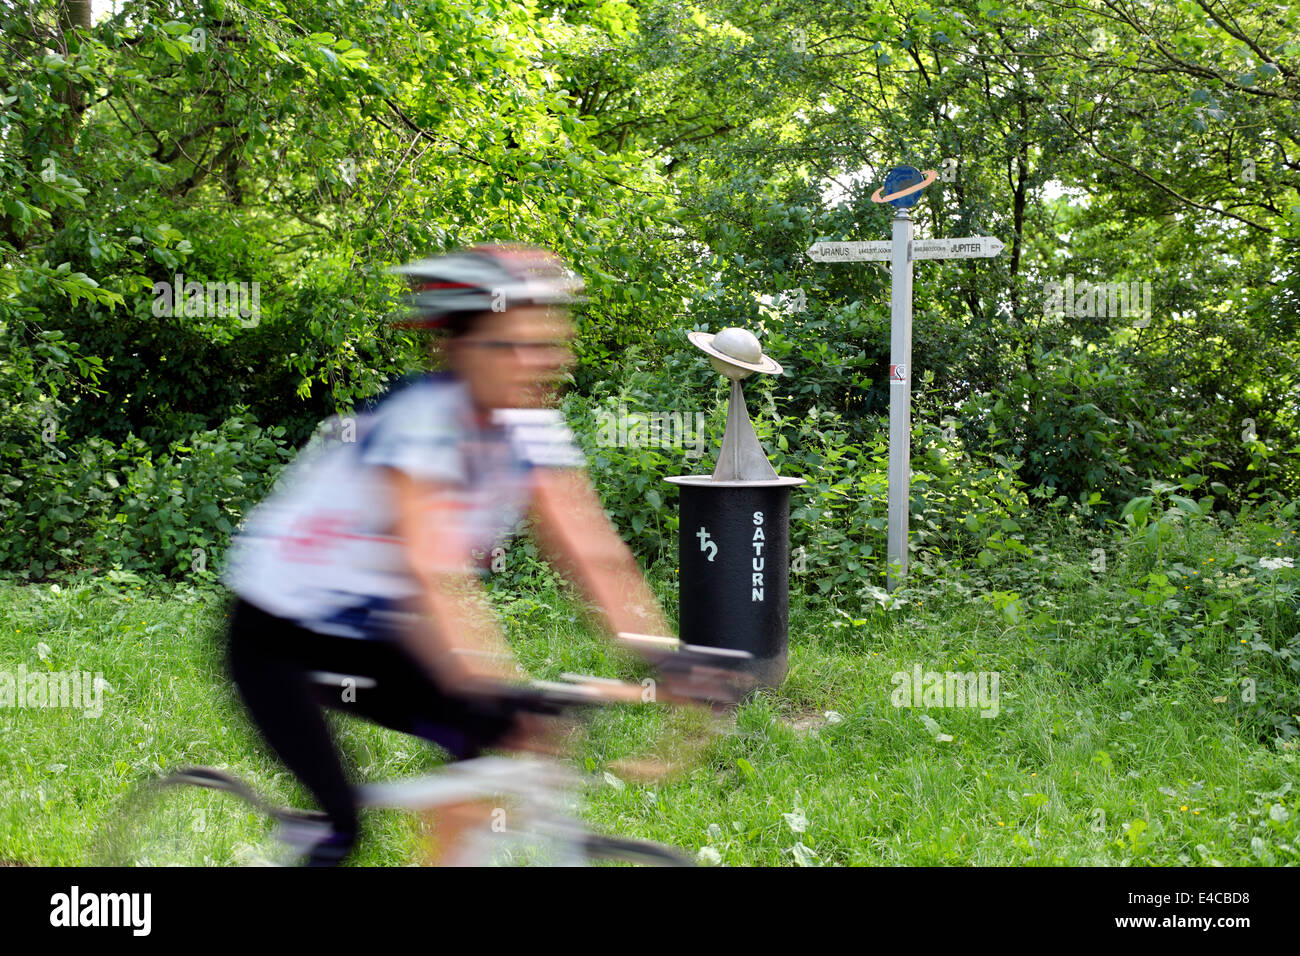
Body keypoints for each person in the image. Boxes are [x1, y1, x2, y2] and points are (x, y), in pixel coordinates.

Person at [221, 243, 674, 865]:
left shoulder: (532, 428)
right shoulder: (423, 420)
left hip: (373, 633)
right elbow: (434, 572)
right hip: (278, 637)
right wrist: (491, 682)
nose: (537, 364)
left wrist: (665, 658)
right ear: (457, 351)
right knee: (343, 826)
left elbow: (593, 554)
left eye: (548, 345)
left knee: (494, 749)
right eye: (512, 345)